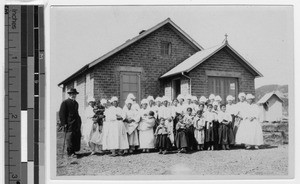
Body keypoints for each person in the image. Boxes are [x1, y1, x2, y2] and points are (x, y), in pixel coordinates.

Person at [59, 88, 82, 158]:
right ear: (69, 94)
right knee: (69, 138)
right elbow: (62, 114)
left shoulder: (76, 103)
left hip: (75, 123)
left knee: (75, 137)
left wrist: (79, 121)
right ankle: (69, 153)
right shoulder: (65, 102)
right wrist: (64, 123)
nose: (73, 95)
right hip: (69, 123)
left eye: (74, 94)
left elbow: (76, 113)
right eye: (72, 94)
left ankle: (74, 151)